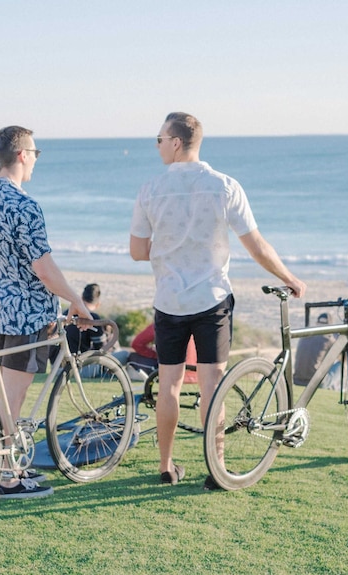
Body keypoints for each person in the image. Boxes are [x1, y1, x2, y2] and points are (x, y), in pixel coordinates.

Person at [129, 112, 306, 489]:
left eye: (160, 139)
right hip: (211, 301)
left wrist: (171, 247)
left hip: (169, 301)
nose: (157, 144)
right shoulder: (224, 186)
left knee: (169, 385)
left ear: (176, 142)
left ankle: (166, 466)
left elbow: (137, 251)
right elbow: (256, 245)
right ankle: (216, 469)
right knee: (213, 385)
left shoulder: (150, 189)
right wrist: (288, 278)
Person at [0, 125, 92, 499]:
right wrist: (78, 301)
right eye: (35, 152)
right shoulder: (25, 205)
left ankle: (13, 466)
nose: (36, 159)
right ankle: (7, 477)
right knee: (12, 401)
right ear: (22, 155)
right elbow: (44, 269)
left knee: (2, 393)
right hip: (26, 314)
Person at [294, 312, 348, 392]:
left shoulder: (305, 336)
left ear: (317, 323)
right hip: (317, 383)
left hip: (297, 380)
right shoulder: (328, 339)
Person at [49, 283, 106, 375]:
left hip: (56, 367)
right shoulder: (93, 318)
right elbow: (101, 349)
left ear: (82, 297)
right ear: (98, 304)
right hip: (76, 368)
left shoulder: (68, 313)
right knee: (123, 355)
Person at [116, 323, 198, 384]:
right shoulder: (199, 326)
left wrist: (154, 354)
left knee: (128, 355)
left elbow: (137, 344)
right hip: (196, 375)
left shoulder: (162, 324)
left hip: (168, 373)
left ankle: (105, 367)